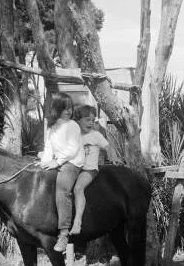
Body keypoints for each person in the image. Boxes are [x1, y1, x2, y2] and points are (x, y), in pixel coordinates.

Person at [38, 92, 85, 252]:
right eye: (64, 108)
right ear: (55, 109)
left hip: (72, 162)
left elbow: (72, 150)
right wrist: (44, 163)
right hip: (59, 161)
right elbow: (48, 148)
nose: (68, 111)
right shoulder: (52, 127)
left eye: (70, 108)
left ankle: (64, 233)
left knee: (63, 187)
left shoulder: (72, 125)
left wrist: (56, 162)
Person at [69, 105, 124, 235]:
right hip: (75, 168)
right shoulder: (75, 135)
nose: (91, 123)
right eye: (87, 120)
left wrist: (115, 158)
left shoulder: (96, 135)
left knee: (78, 188)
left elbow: (108, 147)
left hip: (89, 170)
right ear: (78, 121)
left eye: (93, 120)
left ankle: (77, 222)